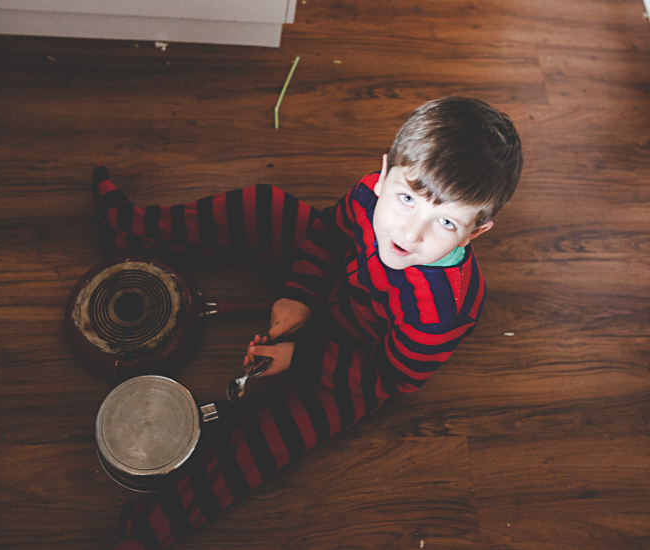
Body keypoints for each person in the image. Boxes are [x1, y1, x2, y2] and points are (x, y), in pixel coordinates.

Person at [92, 96, 523, 550]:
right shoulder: (366, 195)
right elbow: (327, 235)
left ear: (476, 231)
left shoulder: (442, 309)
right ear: (384, 173)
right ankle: (130, 229)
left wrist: (302, 359)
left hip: (356, 363)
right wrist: (300, 295)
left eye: (447, 224)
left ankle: (152, 529)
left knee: (270, 440)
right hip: (332, 282)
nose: (409, 234)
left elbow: (391, 376)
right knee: (264, 204)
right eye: (407, 198)